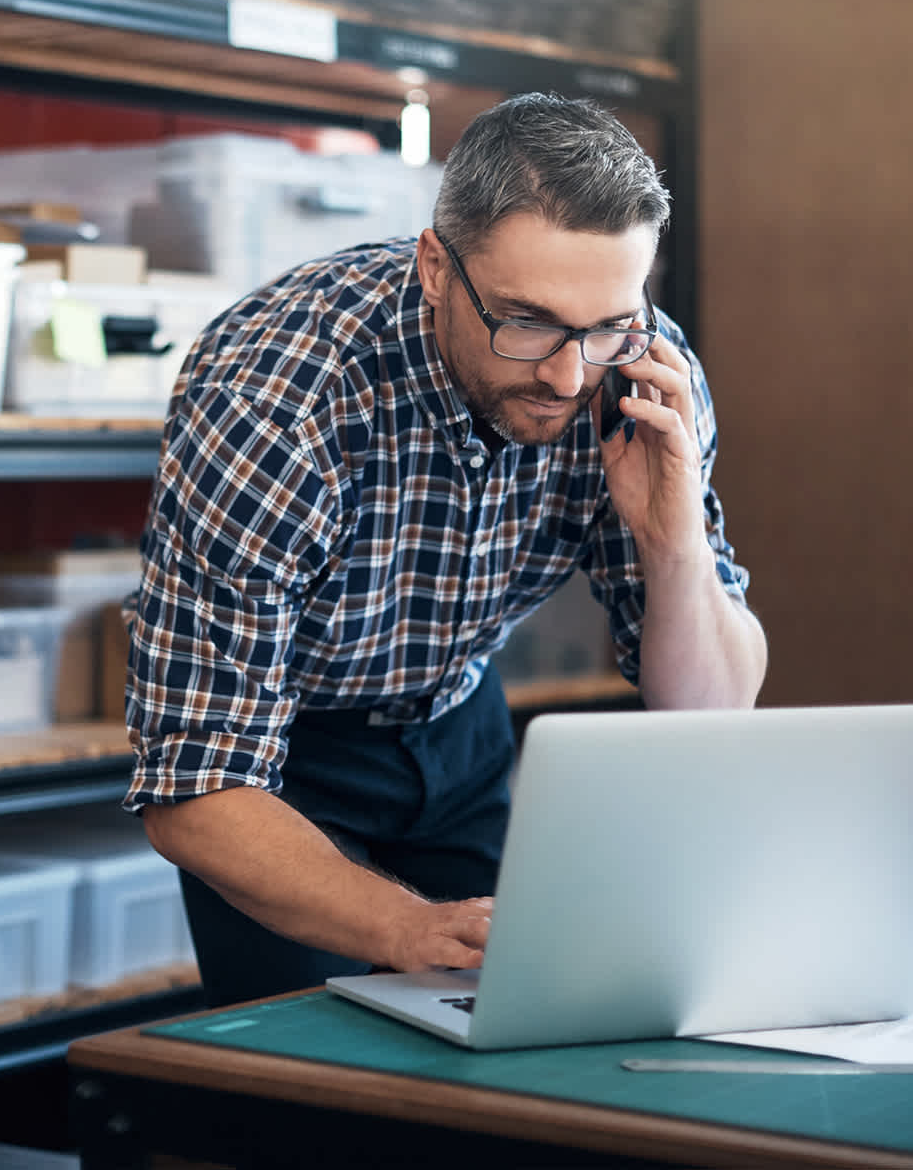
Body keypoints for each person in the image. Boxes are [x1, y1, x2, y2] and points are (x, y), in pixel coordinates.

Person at [124, 92, 767, 1007]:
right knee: (322, 1100)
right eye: (527, 320)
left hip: (461, 724)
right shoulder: (278, 400)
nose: (566, 374)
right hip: (281, 764)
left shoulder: (638, 370)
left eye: (606, 325)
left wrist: (674, 547)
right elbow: (194, 787)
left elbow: (708, 712)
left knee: (524, 1042)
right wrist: (404, 927)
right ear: (434, 266)